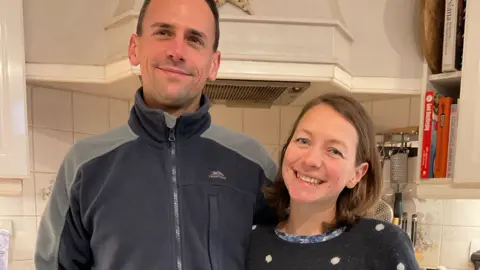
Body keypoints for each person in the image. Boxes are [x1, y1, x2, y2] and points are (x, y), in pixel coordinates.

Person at [34, 0, 277, 269]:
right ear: (134, 48)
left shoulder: (254, 164)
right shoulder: (84, 165)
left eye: (194, 39)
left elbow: (294, 249)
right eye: (164, 32)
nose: (177, 51)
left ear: (213, 64)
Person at [246, 93, 421, 270]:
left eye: (334, 151)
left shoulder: (384, 246)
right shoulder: (250, 243)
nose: (311, 160)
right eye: (303, 140)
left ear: (357, 174)